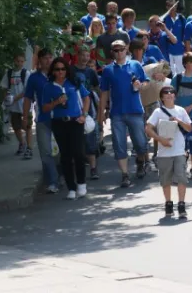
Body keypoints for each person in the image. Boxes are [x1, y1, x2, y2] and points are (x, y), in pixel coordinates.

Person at [99, 40, 150, 187]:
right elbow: (104, 93)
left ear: (126, 49)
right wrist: (101, 113)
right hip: (117, 114)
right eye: (115, 50)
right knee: (119, 145)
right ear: (112, 52)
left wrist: (140, 85)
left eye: (121, 49)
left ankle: (141, 161)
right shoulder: (108, 70)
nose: (119, 52)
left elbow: (146, 82)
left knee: (141, 143)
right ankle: (125, 175)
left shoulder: (135, 64)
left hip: (135, 110)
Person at [42, 57, 91, 200]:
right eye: (57, 69)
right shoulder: (48, 86)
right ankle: (71, 187)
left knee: (79, 154)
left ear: (66, 70)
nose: (60, 72)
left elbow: (86, 97)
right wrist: (57, 101)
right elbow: (44, 107)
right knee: (66, 156)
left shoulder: (73, 82)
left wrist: (84, 115)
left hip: (75, 121)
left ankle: (81, 183)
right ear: (53, 71)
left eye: (63, 69)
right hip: (59, 123)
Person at [145, 86, 192, 218]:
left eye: (172, 94)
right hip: (164, 152)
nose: (169, 95)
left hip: (179, 150)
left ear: (175, 96)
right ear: (162, 98)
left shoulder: (181, 110)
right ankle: (168, 204)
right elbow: (148, 128)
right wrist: (160, 139)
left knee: (182, 177)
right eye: (166, 94)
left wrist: (179, 121)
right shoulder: (158, 112)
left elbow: (189, 128)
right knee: (166, 180)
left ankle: (182, 204)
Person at [23, 48, 59, 194]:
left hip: (59, 118)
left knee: (60, 151)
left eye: (51, 57)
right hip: (42, 119)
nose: (48, 60)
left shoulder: (59, 73)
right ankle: (53, 181)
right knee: (45, 151)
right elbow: (27, 98)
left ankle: (61, 175)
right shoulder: (34, 78)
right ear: (40, 60)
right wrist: (25, 116)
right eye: (45, 58)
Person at [171, 52, 192, 179]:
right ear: (185, 64)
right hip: (180, 116)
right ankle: (182, 166)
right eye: (191, 62)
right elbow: (171, 96)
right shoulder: (177, 78)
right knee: (181, 141)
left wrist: (191, 107)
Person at [72, 45, 102, 180]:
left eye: (87, 55)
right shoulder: (71, 70)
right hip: (74, 108)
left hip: (90, 108)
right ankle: (79, 166)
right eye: (82, 55)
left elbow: (97, 89)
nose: (85, 58)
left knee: (91, 139)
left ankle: (93, 168)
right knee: (77, 140)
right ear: (77, 55)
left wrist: (102, 107)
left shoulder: (91, 72)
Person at [0, 53, 33, 159]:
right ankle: (22, 143)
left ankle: (29, 148)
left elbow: (27, 90)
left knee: (27, 126)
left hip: (25, 104)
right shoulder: (9, 73)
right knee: (16, 126)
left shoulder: (26, 73)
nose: (19, 63)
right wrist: (6, 99)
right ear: (14, 61)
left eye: (21, 61)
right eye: (17, 61)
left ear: (24, 62)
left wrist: (15, 98)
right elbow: (4, 87)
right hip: (13, 106)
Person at [163, 0, 187, 75]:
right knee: (172, 72)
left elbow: (185, 34)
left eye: (173, 6)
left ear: (176, 7)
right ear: (167, 7)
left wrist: (186, 48)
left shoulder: (181, 18)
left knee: (181, 70)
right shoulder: (164, 19)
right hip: (168, 50)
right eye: (169, 6)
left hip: (180, 49)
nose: (172, 8)